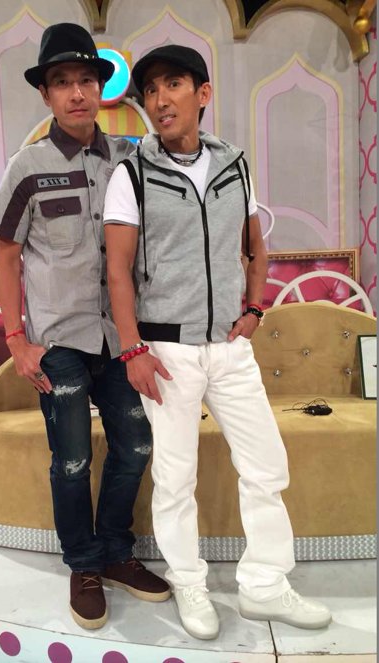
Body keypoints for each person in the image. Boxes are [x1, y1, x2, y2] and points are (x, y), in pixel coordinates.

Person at [103, 45, 332, 640]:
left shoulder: (235, 165)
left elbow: (256, 246)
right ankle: (189, 583)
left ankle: (264, 585)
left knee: (266, 466)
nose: (160, 100)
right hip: (166, 352)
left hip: (230, 348)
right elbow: (117, 271)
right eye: (150, 90)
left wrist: (255, 308)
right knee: (175, 477)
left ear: (202, 94)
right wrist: (132, 349)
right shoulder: (132, 174)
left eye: (173, 84)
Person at [0, 23, 170, 631]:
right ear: (46, 94)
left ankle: (115, 551)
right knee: (70, 460)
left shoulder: (129, 159)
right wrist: (16, 340)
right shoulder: (28, 167)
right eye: (61, 82)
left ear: (101, 88)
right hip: (59, 342)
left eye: (86, 80)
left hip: (121, 338)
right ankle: (84, 564)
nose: (75, 93)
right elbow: (6, 254)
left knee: (135, 446)